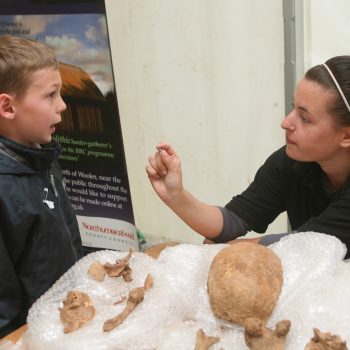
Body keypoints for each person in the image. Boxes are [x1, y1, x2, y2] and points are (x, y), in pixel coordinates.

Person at [146, 55, 350, 260]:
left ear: (347, 135)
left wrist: (222, 249)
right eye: (293, 107)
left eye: (305, 118)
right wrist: (176, 196)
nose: (286, 122)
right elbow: (234, 220)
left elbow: (306, 246)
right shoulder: (292, 162)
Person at [0, 35, 83, 338]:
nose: (62, 106)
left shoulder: (42, 156)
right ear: (8, 107)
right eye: (51, 95)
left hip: (65, 322)